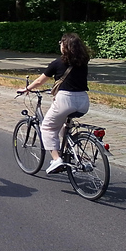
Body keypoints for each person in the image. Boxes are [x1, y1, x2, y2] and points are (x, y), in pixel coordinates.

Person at [18, 33, 91, 174]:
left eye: (61, 43)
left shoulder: (58, 63)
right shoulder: (83, 62)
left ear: (65, 46)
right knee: (64, 126)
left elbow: (40, 81)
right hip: (83, 101)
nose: (60, 45)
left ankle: (56, 159)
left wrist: (27, 89)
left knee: (47, 127)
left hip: (65, 100)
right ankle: (74, 153)